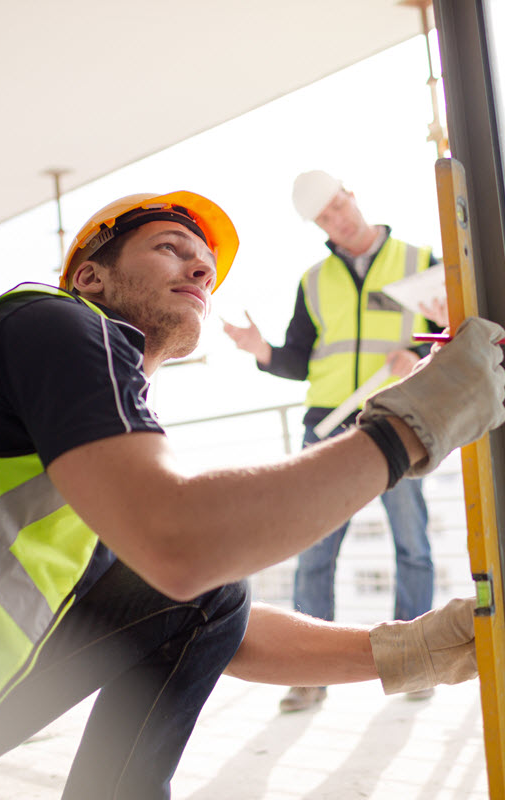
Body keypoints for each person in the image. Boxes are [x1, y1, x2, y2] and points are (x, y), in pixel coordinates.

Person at [0, 190, 504, 800]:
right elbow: (183, 546)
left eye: (208, 270)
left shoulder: (87, 453)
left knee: (206, 589)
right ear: (91, 277)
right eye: (171, 248)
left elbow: (199, 609)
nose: (199, 270)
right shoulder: (54, 321)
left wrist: (417, 650)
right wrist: (411, 426)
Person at [223, 171, 446, 712]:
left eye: (340, 205)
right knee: (315, 551)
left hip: (396, 416)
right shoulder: (314, 280)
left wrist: (415, 357)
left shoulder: (421, 262)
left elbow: (452, 327)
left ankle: (413, 664)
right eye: (325, 217)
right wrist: (263, 351)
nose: (338, 220)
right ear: (316, 225)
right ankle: (309, 676)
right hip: (327, 423)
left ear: (353, 194)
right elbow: (300, 361)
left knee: (411, 544)